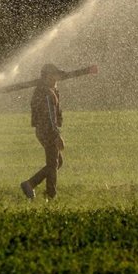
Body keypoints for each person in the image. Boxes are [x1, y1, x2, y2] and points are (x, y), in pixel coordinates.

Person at [20, 64, 97, 201]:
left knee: (56, 163)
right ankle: (49, 194)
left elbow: (67, 75)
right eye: (54, 75)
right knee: (53, 164)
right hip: (47, 131)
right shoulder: (47, 93)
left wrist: (87, 70)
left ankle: (31, 184)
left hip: (44, 130)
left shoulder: (48, 89)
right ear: (48, 76)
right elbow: (50, 116)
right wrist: (56, 135)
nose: (57, 78)